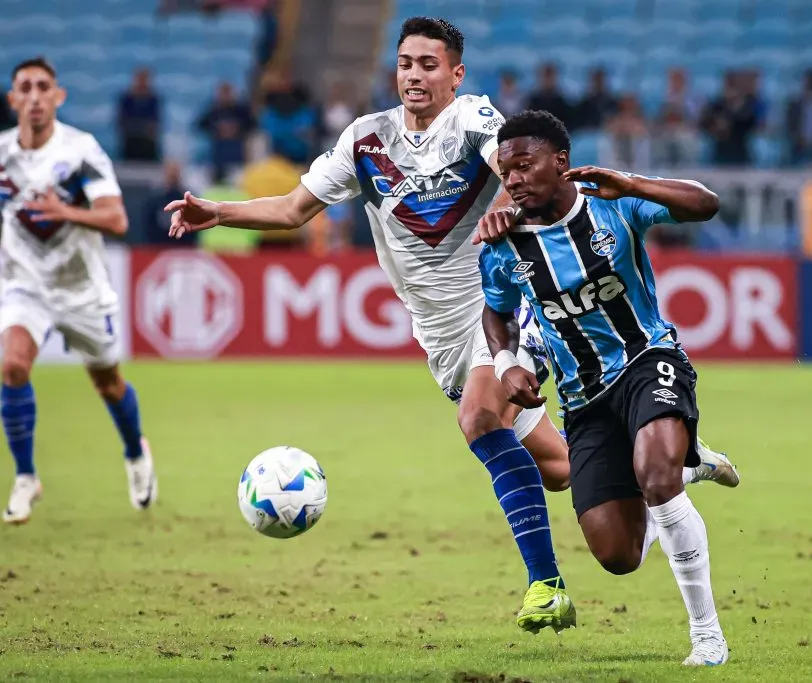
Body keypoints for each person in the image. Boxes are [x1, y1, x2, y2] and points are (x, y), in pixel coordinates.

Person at [165, 17, 736, 633]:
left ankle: (546, 586)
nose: (415, 74)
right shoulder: (367, 140)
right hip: (440, 337)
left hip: (506, 311)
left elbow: (522, 172)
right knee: (557, 469)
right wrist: (215, 211)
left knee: (480, 421)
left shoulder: (471, 120)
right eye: (407, 62)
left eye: (430, 64)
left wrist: (502, 209)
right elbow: (292, 208)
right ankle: (678, 463)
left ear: (455, 74)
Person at [478, 110, 729, 666]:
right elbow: (496, 315)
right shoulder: (502, 245)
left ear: (560, 163)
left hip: (647, 358)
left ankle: (707, 636)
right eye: (507, 170)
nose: (514, 179)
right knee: (617, 555)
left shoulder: (613, 203)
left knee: (655, 477)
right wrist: (505, 364)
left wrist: (634, 181)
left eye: (525, 165)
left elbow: (707, 204)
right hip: (582, 397)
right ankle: (687, 464)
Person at [0, 57, 157, 524]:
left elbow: (117, 219)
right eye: (24, 88)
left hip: (82, 288)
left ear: (58, 97)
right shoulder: (3, 155)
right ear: (12, 100)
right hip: (24, 284)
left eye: (42, 87)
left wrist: (67, 212)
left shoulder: (81, 152)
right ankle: (26, 475)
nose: (33, 96)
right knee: (11, 364)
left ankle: (134, 452)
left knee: (107, 383)